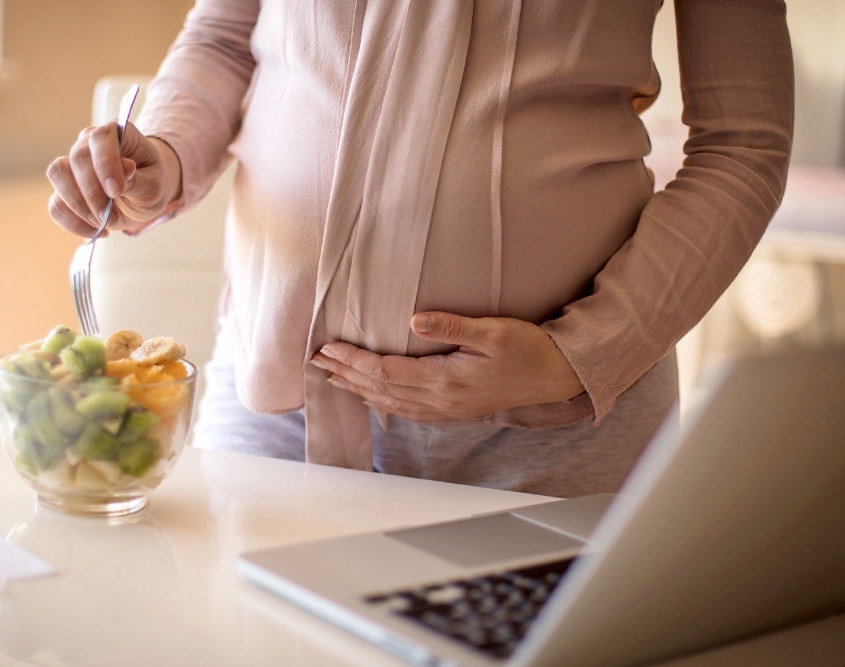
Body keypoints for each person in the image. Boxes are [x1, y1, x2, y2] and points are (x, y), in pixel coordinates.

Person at [47, 0, 794, 497]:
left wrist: (580, 356)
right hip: (278, 402)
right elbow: (220, 41)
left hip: (554, 440)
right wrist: (165, 158)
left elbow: (743, 144)